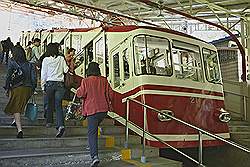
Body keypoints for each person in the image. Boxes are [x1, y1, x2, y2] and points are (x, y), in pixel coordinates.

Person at [76, 62, 113, 167]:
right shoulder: (104, 80)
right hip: (103, 110)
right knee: (95, 127)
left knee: (92, 133)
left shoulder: (86, 81)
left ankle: (95, 157)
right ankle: (92, 145)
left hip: (92, 110)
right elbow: (111, 94)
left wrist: (78, 90)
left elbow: (81, 93)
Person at [3, 45, 37, 138]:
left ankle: (20, 130)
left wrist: (7, 87)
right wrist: (32, 89)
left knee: (16, 108)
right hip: (28, 89)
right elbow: (34, 79)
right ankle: (15, 121)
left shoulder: (12, 62)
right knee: (18, 105)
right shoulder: (30, 64)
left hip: (17, 88)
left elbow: (9, 76)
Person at [41, 43, 69, 137]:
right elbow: (66, 70)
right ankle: (60, 125)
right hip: (60, 85)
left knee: (49, 103)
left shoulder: (45, 60)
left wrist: (42, 86)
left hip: (49, 84)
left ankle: (49, 121)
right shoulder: (61, 59)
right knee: (58, 106)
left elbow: (43, 74)